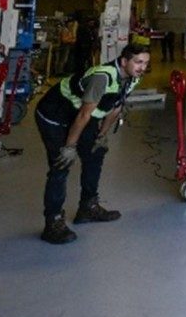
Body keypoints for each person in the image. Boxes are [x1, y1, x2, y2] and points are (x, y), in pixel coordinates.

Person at [34, 43, 150, 244]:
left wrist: (102, 135)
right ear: (124, 61)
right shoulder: (102, 77)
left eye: (146, 63)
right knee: (61, 165)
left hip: (79, 116)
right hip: (55, 115)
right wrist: (69, 147)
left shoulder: (132, 78)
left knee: (96, 153)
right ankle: (52, 222)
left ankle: (88, 207)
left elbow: (116, 105)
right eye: (138, 62)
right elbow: (84, 114)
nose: (142, 67)